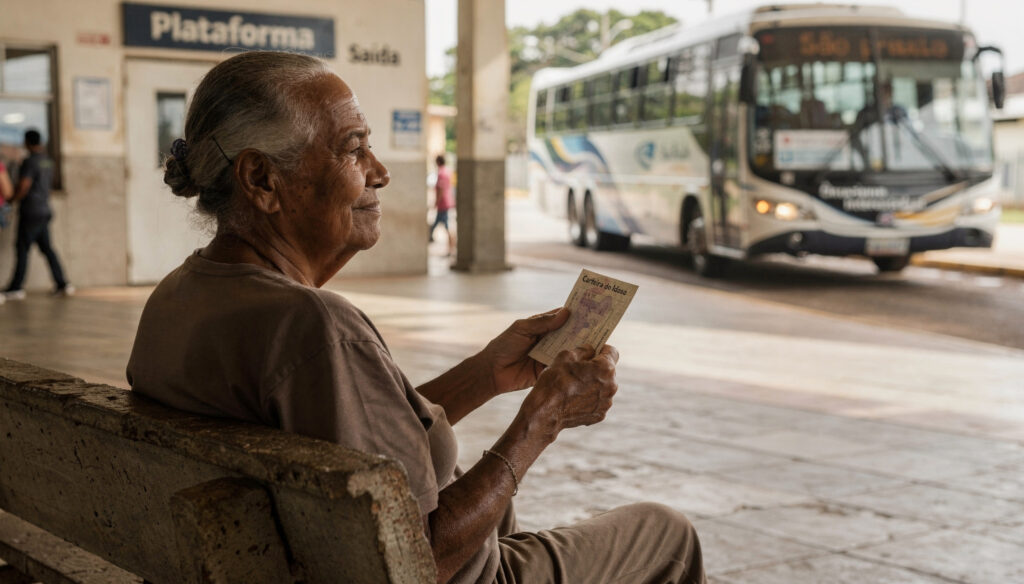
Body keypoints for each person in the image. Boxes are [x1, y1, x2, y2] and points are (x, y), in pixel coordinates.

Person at [126, 51, 704, 584]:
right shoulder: (314, 326)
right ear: (261, 180)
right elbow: (415, 559)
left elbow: (352, 443)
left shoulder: (179, 295)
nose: (379, 171)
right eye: (353, 148)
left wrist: (485, 374)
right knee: (665, 532)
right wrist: (541, 420)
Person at [2, 130, 73, 300]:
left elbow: (24, 185)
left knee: (22, 249)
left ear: (27, 142)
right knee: (47, 249)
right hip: (44, 210)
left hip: (31, 211)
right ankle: (62, 283)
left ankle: (16, 287)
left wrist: (12, 198)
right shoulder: (47, 161)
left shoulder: (30, 162)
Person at [429, 154, 456, 255]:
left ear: (438, 162)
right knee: (442, 224)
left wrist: (436, 202)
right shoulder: (447, 171)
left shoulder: (441, 173)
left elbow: (441, 189)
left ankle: (451, 247)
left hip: (443, 203)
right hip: (447, 202)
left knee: (446, 226)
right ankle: (450, 247)